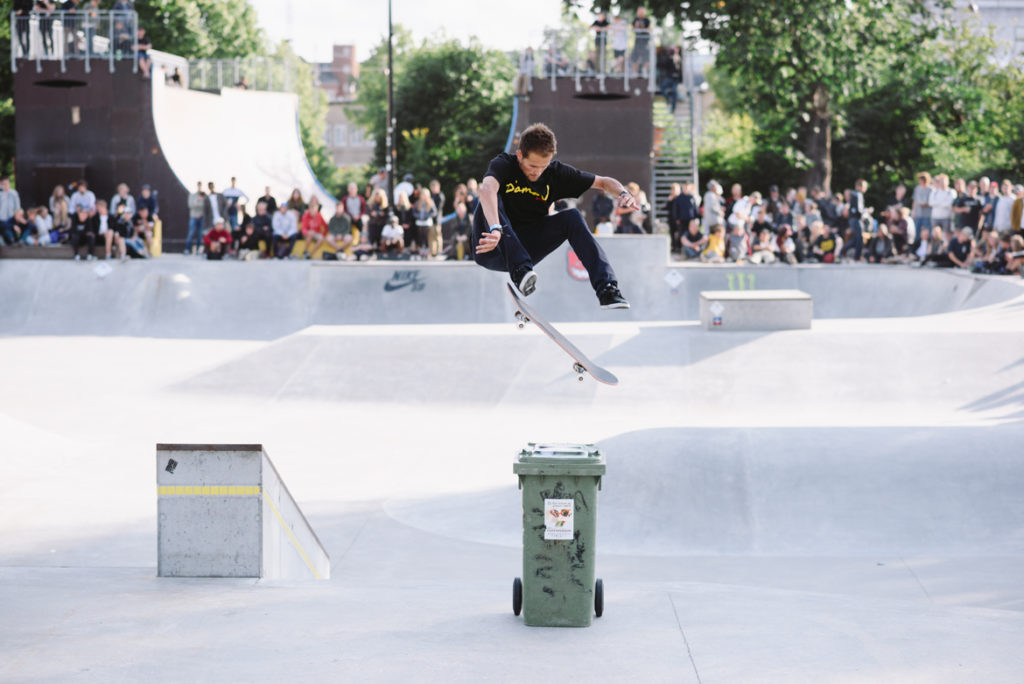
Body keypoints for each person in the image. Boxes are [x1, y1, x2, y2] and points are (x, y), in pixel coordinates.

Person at [473, 123, 633, 308]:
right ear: (520, 155)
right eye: (532, 166)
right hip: (491, 246)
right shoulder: (504, 164)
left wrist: (623, 194)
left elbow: (604, 182)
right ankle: (520, 270)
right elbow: (486, 189)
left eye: (543, 166)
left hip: (526, 248)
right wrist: (495, 228)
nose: (537, 172)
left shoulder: (556, 174)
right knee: (494, 194)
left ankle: (607, 289)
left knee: (572, 216)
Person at [0, 176, 22, 242]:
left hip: (11, 219)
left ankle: (12, 238)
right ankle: (12, 238)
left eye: (7, 183)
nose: (6, 185)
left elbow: (17, 207)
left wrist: (18, 217)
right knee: (6, 230)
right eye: (4, 184)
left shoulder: (14, 193)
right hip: (1, 219)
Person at [185, 181, 205, 255]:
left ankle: (197, 250)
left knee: (200, 234)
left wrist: (197, 203)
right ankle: (187, 249)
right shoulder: (192, 195)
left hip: (201, 217)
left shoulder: (203, 195)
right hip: (193, 217)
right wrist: (198, 202)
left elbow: (204, 207)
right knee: (191, 233)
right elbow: (190, 205)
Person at [631, 7, 651, 77]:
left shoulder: (647, 20)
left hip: (645, 42)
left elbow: (649, 29)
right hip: (637, 42)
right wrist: (636, 26)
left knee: (645, 58)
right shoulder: (635, 19)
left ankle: (645, 71)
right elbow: (633, 29)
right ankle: (635, 73)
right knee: (635, 57)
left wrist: (643, 28)